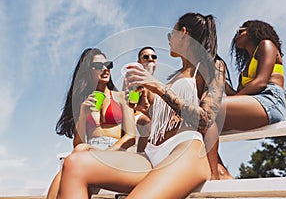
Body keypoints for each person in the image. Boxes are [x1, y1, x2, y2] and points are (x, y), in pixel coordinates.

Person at [57, 12, 225, 199]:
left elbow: (206, 120)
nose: (169, 41)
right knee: (75, 162)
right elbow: (156, 115)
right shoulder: (175, 77)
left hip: (184, 150)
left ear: (183, 33)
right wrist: (141, 100)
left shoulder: (213, 66)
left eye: (171, 35)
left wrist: (156, 86)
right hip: (150, 154)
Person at [46, 48, 136, 199]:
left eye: (108, 64)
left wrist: (104, 154)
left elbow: (131, 136)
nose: (105, 69)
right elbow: (77, 144)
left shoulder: (121, 97)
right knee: (67, 169)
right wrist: (82, 115)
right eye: (99, 66)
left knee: (74, 166)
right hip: (88, 150)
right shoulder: (84, 103)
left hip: (114, 150)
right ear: (88, 71)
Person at [216, 20, 286, 178]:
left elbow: (261, 82)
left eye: (241, 31)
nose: (236, 36)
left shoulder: (266, 44)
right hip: (256, 105)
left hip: (271, 101)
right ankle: (221, 173)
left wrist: (217, 105)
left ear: (253, 30)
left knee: (207, 110)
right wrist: (222, 82)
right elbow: (236, 98)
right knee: (200, 125)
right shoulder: (245, 69)